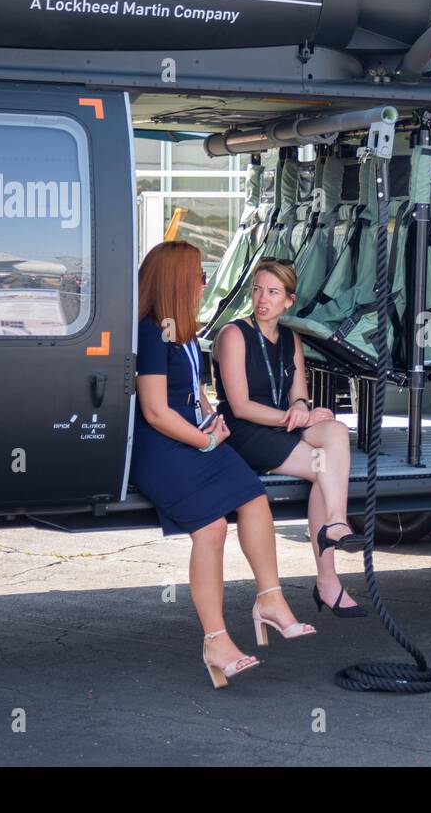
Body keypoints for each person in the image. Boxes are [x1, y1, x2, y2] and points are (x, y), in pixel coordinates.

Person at [130, 242, 315, 690]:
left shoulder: (186, 331)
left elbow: (193, 390)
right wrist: (206, 438)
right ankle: (216, 641)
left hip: (196, 437)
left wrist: (211, 415)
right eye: (197, 275)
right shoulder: (151, 333)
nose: (203, 283)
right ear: (175, 280)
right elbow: (155, 411)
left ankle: (269, 600)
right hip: (162, 447)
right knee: (211, 529)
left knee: (254, 498)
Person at [214, 258, 368, 619]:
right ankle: (328, 579)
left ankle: (336, 521)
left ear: (288, 300)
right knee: (322, 468)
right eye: (257, 290)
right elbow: (240, 406)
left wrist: (303, 407)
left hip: (282, 423)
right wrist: (293, 416)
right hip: (247, 430)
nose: (262, 298)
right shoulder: (233, 334)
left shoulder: (291, 339)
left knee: (336, 430)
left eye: (272, 292)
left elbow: (299, 393)